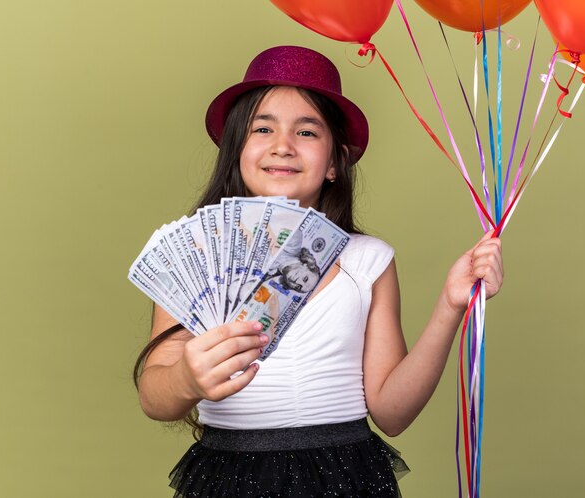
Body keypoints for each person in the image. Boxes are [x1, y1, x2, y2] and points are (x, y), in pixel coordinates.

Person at [133, 45, 504, 497]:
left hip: (347, 473)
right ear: (236, 149)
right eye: (262, 127)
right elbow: (155, 397)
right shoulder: (194, 253)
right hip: (228, 475)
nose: (282, 146)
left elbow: (391, 412)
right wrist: (186, 379)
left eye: (307, 132)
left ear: (334, 162)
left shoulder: (367, 260)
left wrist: (450, 306)